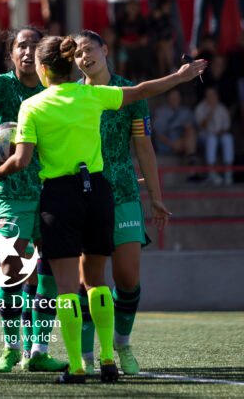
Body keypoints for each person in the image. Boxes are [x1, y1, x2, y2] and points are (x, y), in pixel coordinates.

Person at [0, 36, 206, 383]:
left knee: (67, 288)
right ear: (70, 64)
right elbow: (141, 91)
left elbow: (21, 160)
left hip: (60, 196)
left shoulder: (32, 106)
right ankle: (108, 358)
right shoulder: (92, 96)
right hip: (98, 192)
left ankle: (78, 365)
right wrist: (179, 76)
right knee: (97, 283)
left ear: (44, 70)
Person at [0, 27, 67, 374]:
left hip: (50, 190)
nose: (27, 51)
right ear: (11, 54)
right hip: (11, 192)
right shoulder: (3, 85)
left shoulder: (53, 91)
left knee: (47, 273)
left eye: (34, 46)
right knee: (10, 272)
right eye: (21, 45)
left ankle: (37, 350)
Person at [73, 31, 172, 376]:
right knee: (90, 281)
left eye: (88, 49)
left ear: (104, 49)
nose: (84, 56)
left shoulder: (130, 92)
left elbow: (144, 146)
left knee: (128, 278)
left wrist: (156, 197)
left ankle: (121, 344)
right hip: (85, 193)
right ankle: (86, 355)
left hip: (125, 192)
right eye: (77, 54)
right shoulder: (73, 95)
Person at [194, 86, 234, 185]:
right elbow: (201, 126)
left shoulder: (222, 108)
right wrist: (210, 112)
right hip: (204, 137)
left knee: (228, 138)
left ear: (217, 96)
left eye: (213, 95)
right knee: (212, 139)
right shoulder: (200, 107)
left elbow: (227, 127)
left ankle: (228, 172)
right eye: (209, 95)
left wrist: (220, 132)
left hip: (219, 135)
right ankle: (211, 172)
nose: (211, 97)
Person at [151, 89, 197, 160]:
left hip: (182, 143)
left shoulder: (186, 112)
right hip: (166, 144)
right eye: (172, 97)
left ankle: (190, 159)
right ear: (168, 98)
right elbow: (157, 134)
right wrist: (172, 144)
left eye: (176, 97)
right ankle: (190, 160)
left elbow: (193, 129)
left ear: (180, 98)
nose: (174, 99)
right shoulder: (160, 112)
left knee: (190, 131)